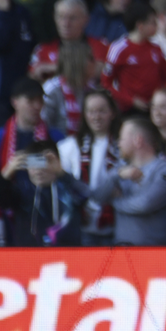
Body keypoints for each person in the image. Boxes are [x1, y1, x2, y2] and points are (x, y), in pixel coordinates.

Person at [80, 116, 166, 245]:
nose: (118, 143)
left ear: (137, 140)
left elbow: (145, 204)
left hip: (155, 252)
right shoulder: (120, 170)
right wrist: (117, 176)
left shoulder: (165, 171)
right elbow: (97, 197)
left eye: (121, 138)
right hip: (122, 251)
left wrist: (115, 201)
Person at [57, 89, 121, 246]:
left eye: (102, 111)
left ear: (112, 113)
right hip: (80, 225)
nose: (96, 117)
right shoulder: (68, 146)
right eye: (91, 111)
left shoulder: (123, 145)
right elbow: (63, 187)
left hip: (117, 224)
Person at [0, 139, 85, 246]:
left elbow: (86, 196)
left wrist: (61, 173)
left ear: (57, 162)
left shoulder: (68, 188)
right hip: (29, 256)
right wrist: (7, 173)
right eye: (33, 163)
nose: (38, 170)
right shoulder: (21, 190)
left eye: (44, 162)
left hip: (67, 255)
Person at [101, 3, 166, 114]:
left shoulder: (156, 49)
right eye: (153, 22)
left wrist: (162, 98)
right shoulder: (119, 49)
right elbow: (106, 83)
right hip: (129, 110)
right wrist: (131, 100)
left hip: (155, 108)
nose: (157, 26)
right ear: (140, 26)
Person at [29, 0, 108, 82]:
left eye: (72, 18)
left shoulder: (99, 45)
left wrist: (55, 68)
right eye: (61, 17)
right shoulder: (43, 49)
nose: (65, 24)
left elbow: (101, 70)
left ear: (86, 19)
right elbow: (33, 75)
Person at [42, 42, 98, 136]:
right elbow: (42, 125)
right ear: (79, 62)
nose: (95, 63)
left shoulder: (93, 90)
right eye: (91, 59)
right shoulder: (53, 89)